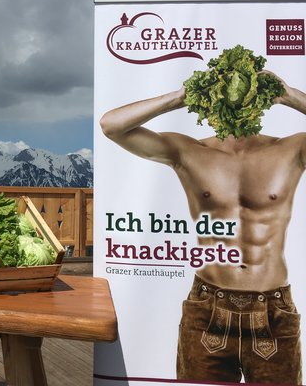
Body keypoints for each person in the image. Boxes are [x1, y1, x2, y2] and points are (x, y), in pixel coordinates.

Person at [99, 72, 306, 384]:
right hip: (208, 307)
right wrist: (180, 96)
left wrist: (290, 95)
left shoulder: (291, 149)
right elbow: (111, 125)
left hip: (273, 312)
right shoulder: (189, 151)